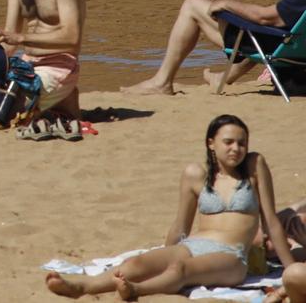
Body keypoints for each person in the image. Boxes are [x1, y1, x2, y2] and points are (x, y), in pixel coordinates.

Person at [43, 114, 292, 298]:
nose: (236, 148)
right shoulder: (196, 174)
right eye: (228, 142)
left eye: (241, 143)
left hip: (232, 256)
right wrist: (161, 254)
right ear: (211, 143)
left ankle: (136, 290)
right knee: (136, 265)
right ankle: (82, 287)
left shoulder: (253, 167)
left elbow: (270, 221)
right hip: (194, 244)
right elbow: (180, 225)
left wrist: (291, 270)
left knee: (180, 269)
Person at [121, 0, 306, 96]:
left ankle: (161, 82)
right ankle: (222, 78)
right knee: (265, 27)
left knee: (192, 5)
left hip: (278, 48)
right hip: (297, 53)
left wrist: (226, 4)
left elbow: (264, 17)